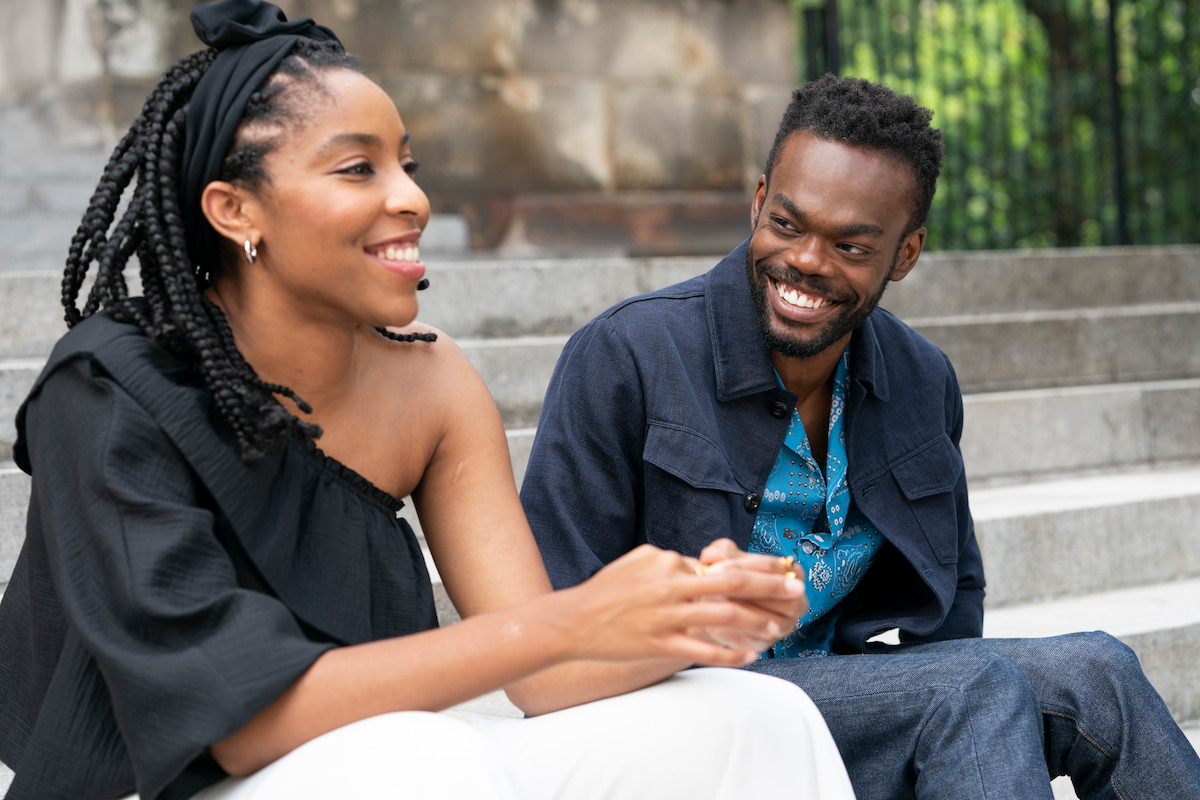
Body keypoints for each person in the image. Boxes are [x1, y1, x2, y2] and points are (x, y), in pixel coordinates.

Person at [0, 3, 859, 799]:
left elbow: (542, 674)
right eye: (357, 168)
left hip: (381, 765)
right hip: (157, 783)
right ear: (234, 210)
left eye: (405, 163)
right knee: (425, 755)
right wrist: (576, 619)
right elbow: (241, 719)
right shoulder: (110, 387)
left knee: (753, 715)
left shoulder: (431, 382)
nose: (410, 196)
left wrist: (687, 621)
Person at [521, 74, 1200, 800]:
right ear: (758, 203)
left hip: (835, 704)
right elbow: (544, 633)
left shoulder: (921, 380)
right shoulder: (628, 355)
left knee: (1099, 671)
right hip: (677, 706)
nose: (807, 261)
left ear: (904, 255)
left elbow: (954, 590)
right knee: (970, 687)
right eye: (787, 224)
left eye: (849, 244)